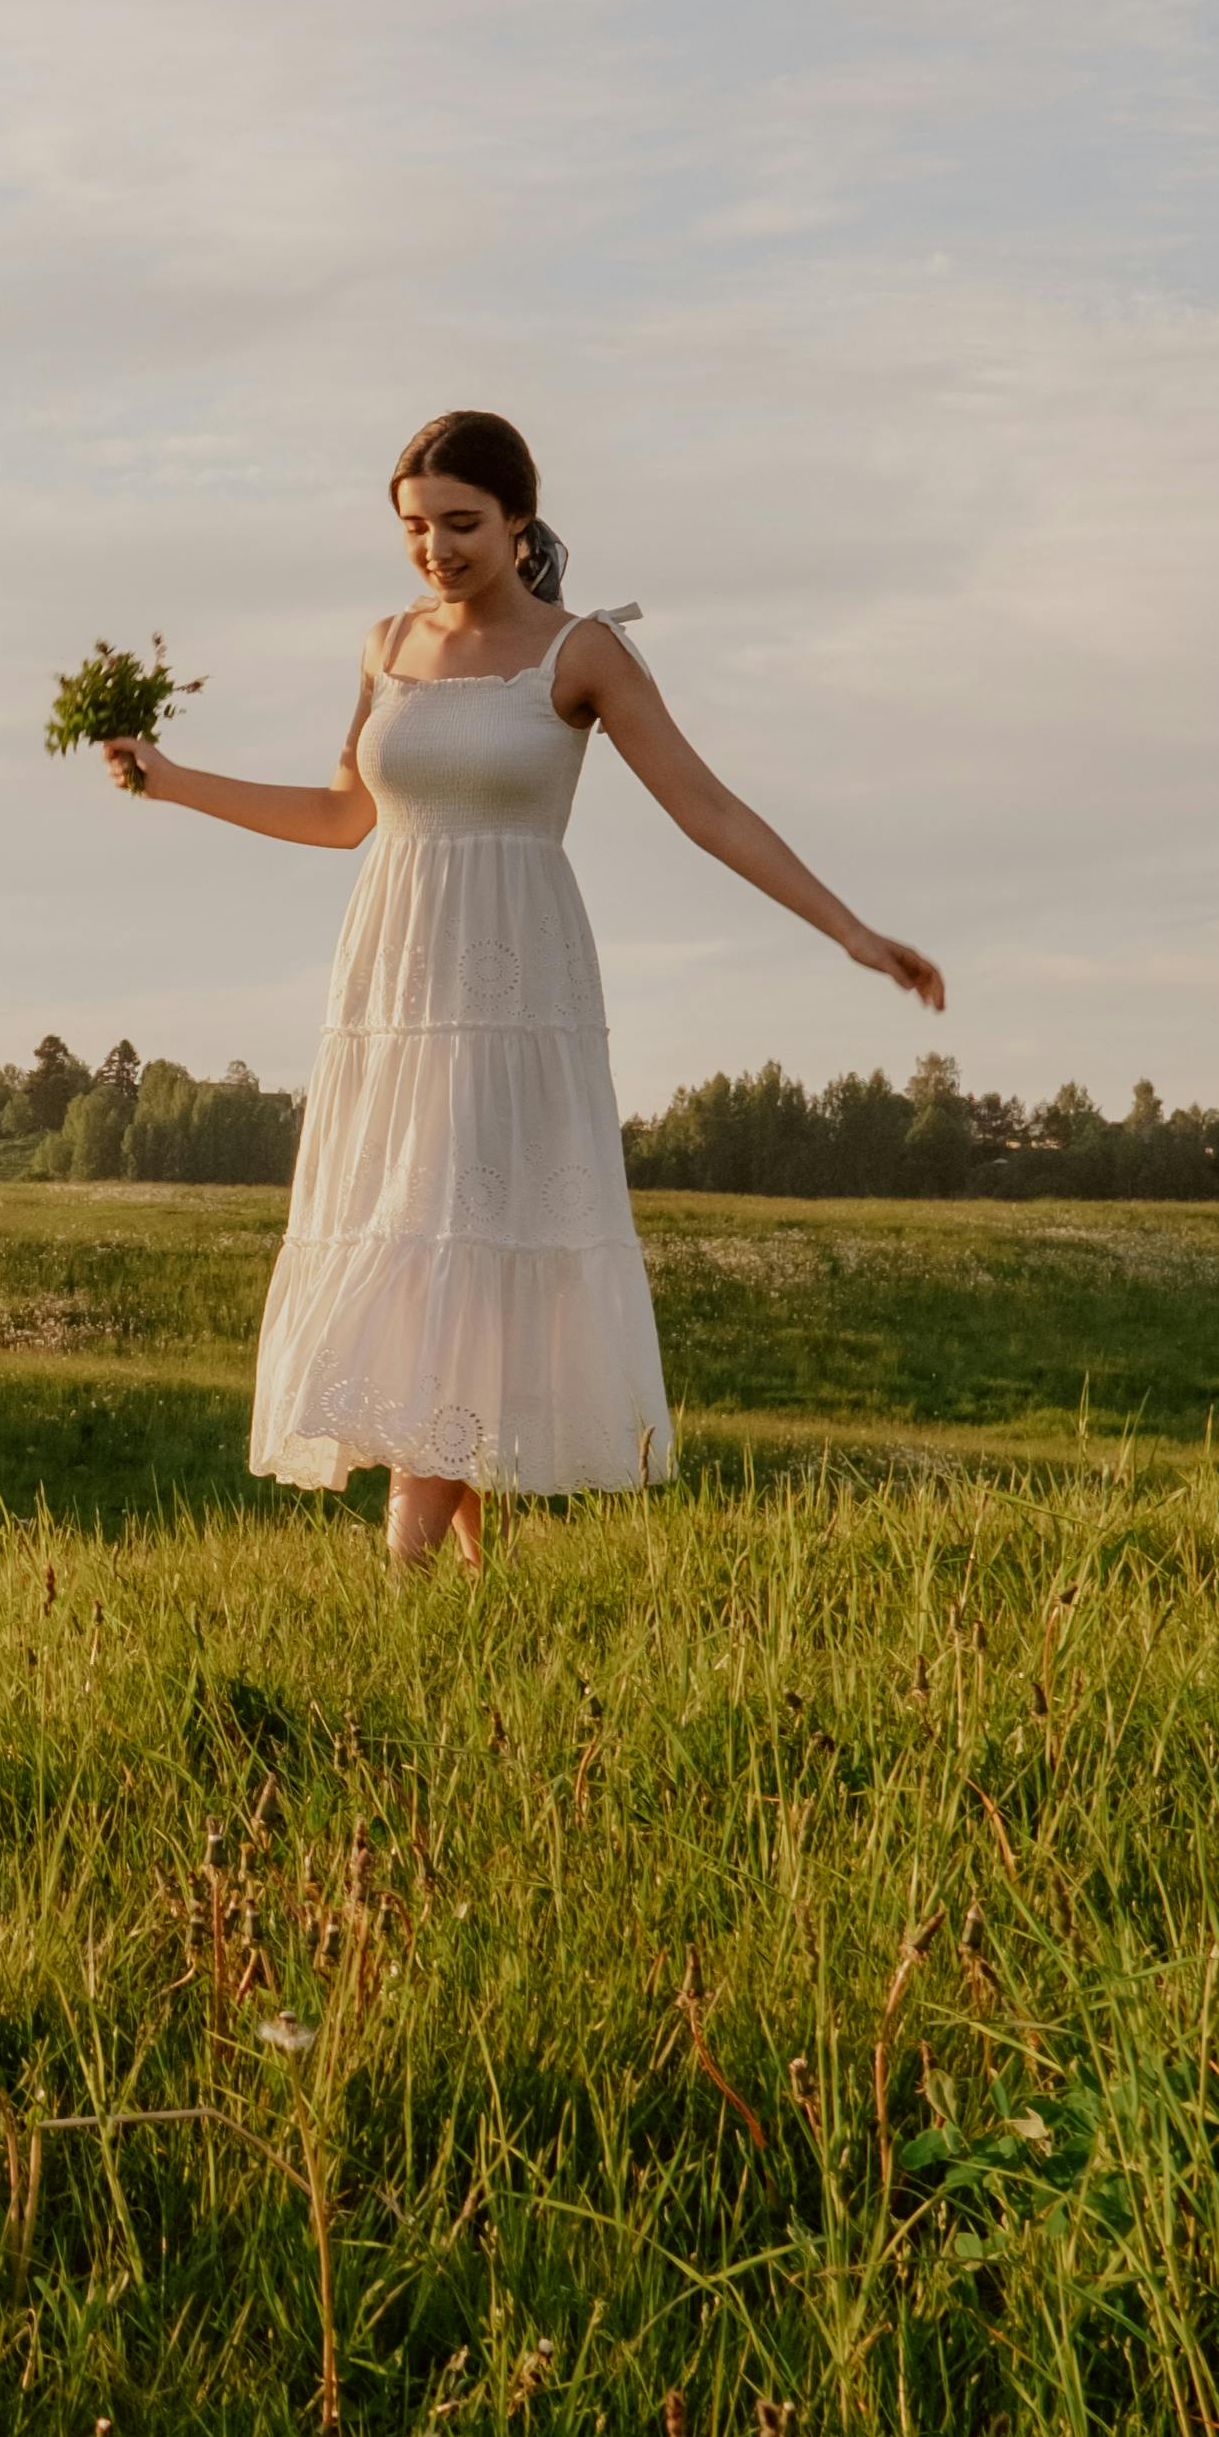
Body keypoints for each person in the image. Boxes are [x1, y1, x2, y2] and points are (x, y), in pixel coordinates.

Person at [101, 410, 936, 1569]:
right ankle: (470, 1583)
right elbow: (346, 815)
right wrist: (175, 778)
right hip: (395, 990)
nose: (435, 547)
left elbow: (708, 807)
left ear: (518, 519)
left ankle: (400, 1577)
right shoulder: (385, 644)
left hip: (512, 991)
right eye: (414, 525)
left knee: (466, 1234)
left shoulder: (580, 651)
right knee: (424, 1239)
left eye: (460, 523)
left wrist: (848, 927)